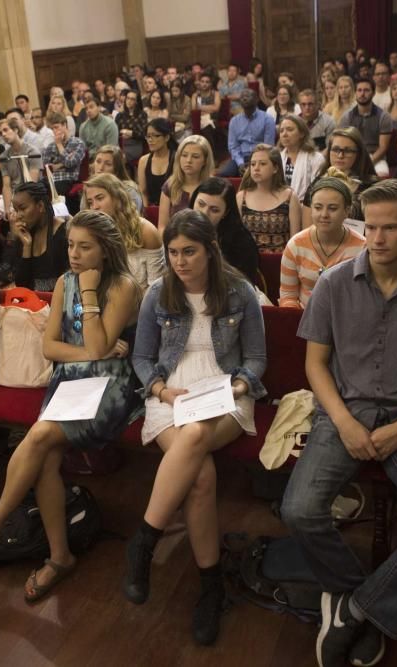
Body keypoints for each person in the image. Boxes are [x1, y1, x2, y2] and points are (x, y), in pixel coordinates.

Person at [282, 179, 397, 667]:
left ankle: (361, 608)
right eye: (370, 227)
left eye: (391, 228)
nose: (379, 239)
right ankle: (350, 593)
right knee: (299, 511)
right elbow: (316, 366)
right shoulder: (333, 283)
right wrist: (343, 422)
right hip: (345, 413)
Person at [0, 211, 143, 601]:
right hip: (71, 380)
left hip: (110, 386)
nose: (73, 254)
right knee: (46, 456)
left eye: (84, 247)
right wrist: (93, 348)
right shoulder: (63, 282)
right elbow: (50, 347)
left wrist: (90, 298)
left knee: (40, 437)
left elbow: (96, 349)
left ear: (105, 251)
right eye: (71, 244)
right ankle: (60, 557)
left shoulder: (124, 286)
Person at [127, 209, 267, 646]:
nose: (180, 261)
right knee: (201, 477)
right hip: (173, 392)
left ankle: (144, 541)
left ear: (210, 250)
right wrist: (164, 392)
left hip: (224, 392)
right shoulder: (157, 292)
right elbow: (142, 358)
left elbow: (257, 358)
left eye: (190, 252)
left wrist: (239, 384)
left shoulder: (241, 291)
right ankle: (211, 587)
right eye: (173, 253)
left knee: (194, 436)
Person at [278, 174, 365, 308]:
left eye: (332, 208)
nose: (324, 215)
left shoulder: (362, 248)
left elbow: (364, 298)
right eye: (318, 207)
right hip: (304, 320)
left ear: (347, 211)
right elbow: (288, 295)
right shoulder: (295, 245)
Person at [83, 173, 164, 290]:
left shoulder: (146, 231)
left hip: (141, 304)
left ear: (117, 198)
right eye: (90, 202)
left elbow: (156, 289)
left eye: (100, 198)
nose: (94, 207)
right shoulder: (92, 234)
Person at [190, 177, 260, 287]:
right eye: (201, 204)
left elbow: (243, 286)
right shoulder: (181, 229)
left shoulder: (242, 243)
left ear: (225, 213)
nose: (204, 213)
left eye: (214, 210)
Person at [237, 144, 301, 252]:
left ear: (275, 168)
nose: (256, 168)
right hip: (248, 263)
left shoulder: (290, 197)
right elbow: (236, 238)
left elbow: (295, 242)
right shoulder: (241, 196)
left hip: (280, 262)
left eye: (262, 164)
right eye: (252, 164)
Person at [9, 182, 69, 291]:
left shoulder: (64, 233)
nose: (18, 216)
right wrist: (27, 247)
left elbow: (69, 282)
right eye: (16, 210)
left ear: (40, 206)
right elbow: (21, 285)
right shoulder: (24, 233)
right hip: (33, 301)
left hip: (58, 301)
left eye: (22, 209)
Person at [316, 127, 379, 219]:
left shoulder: (372, 187)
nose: (340, 155)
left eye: (348, 151)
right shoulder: (317, 183)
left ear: (359, 154)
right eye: (336, 149)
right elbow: (308, 227)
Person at [338, 78, 393, 177]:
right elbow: (343, 143)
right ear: (355, 93)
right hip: (352, 157)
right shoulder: (347, 117)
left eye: (366, 90)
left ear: (373, 93)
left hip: (376, 158)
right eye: (359, 90)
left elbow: (383, 147)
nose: (362, 94)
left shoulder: (384, 117)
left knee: (382, 174)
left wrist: (369, 161)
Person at [158, 135, 215, 231]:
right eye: (184, 155)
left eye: (195, 157)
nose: (188, 160)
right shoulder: (170, 185)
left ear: (205, 161)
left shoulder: (214, 186)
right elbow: (162, 227)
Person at [222, 89, 277, 178]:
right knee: (223, 176)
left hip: (261, 156)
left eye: (248, 96)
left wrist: (255, 162)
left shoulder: (267, 119)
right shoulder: (234, 121)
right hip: (241, 157)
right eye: (242, 97)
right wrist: (240, 163)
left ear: (257, 99)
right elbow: (233, 147)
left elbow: (268, 147)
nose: (244, 98)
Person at [0, 119, 42, 215]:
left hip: (33, 194)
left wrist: (17, 204)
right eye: (1, 132)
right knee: (0, 209)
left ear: (16, 130)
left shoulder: (33, 152)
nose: (3, 134)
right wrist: (7, 208)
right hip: (15, 195)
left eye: (6, 130)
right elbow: (6, 186)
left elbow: (32, 183)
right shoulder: (3, 157)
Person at [278, 115, 325, 203]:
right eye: (281, 131)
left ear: (302, 133)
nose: (284, 134)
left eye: (290, 129)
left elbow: (318, 189)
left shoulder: (316, 158)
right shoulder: (277, 158)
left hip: (306, 206)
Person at [41, 112, 86, 198]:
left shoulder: (78, 143)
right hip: (51, 179)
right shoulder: (50, 146)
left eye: (56, 127)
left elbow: (70, 163)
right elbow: (46, 167)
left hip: (68, 178)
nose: (54, 131)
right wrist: (63, 163)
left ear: (64, 125)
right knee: (36, 189)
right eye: (52, 129)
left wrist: (59, 145)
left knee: (57, 188)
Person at [91, 144, 143, 212]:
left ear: (117, 169)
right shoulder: (90, 188)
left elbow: (131, 220)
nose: (100, 168)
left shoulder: (129, 191)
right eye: (98, 162)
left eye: (108, 164)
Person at [137, 118, 175, 208]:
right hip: (151, 208)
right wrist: (146, 212)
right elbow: (143, 192)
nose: (150, 140)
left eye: (155, 136)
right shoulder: (143, 161)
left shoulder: (177, 158)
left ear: (166, 137)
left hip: (172, 209)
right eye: (148, 136)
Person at [116, 90, 148, 164]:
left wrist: (130, 133)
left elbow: (144, 134)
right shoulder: (120, 115)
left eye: (132, 99)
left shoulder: (142, 115)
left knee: (119, 159)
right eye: (128, 98)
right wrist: (122, 133)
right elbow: (116, 132)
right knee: (113, 156)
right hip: (122, 144)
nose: (129, 101)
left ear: (136, 101)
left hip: (135, 145)